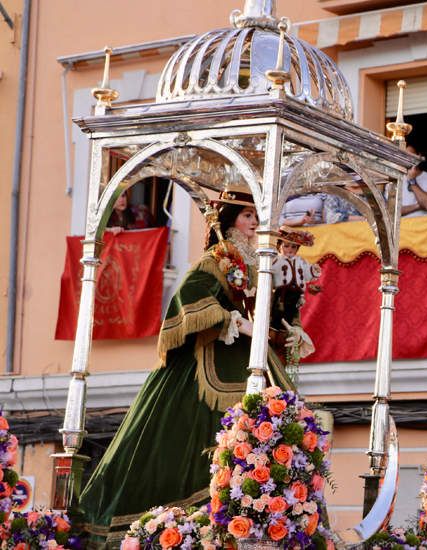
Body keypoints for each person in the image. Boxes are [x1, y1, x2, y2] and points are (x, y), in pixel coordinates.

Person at [80, 184, 298, 542]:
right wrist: (234, 322)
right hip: (205, 362)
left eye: (258, 218)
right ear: (229, 222)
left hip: (245, 356)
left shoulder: (254, 266)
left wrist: (287, 327)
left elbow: (267, 315)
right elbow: (188, 297)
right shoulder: (214, 260)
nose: (254, 225)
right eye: (247, 216)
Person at [271, 227, 321, 365]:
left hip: (296, 293)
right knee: (278, 312)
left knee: (292, 313)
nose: (290, 250)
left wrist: (314, 271)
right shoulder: (277, 260)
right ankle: (275, 330)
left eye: (293, 247)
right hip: (282, 291)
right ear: (279, 246)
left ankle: (286, 331)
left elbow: (308, 273)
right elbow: (268, 268)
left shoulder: (300, 261)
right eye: (286, 246)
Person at [401, 145, 427, 217]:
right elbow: (392, 212)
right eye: (404, 156)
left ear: (419, 157)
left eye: (411, 155)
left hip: (426, 227)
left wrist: (412, 181)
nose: (407, 159)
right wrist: (419, 205)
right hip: (403, 227)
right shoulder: (395, 179)